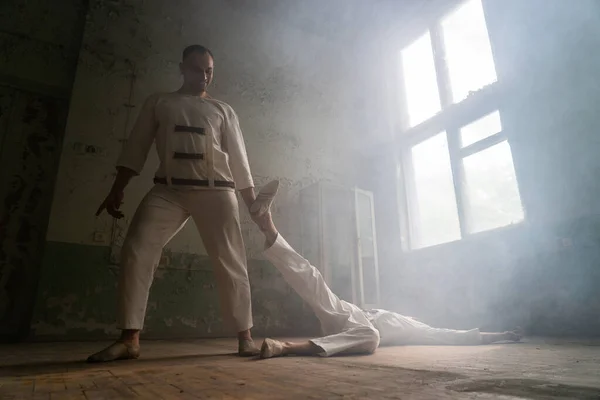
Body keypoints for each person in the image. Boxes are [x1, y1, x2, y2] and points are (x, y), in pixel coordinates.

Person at [88, 45, 264, 362]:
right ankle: (130, 339)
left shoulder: (224, 110)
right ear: (182, 68)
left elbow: (239, 160)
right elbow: (136, 146)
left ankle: (245, 338)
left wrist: (252, 203)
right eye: (198, 69)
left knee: (230, 259)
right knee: (136, 248)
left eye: (209, 70)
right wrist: (117, 189)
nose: (204, 76)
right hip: (168, 191)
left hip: (216, 191)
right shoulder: (159, 102)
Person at [249, 180, 523, 359]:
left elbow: (457, 336)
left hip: (357, 329)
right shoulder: (393, 313)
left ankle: (284, 348)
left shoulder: (420, 329)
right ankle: (267, 224)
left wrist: (501, 336)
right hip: (349, 314)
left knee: (371, 337)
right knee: (311, 276)